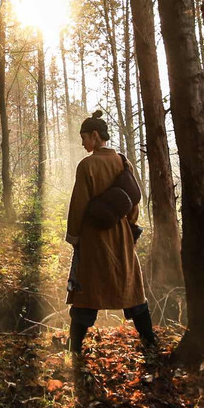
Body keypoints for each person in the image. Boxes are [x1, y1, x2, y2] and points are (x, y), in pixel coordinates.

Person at [65, 111, 157, 355]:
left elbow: (79, 205)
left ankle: (73, 349)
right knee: (132, 291)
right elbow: (133, 203)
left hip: (94, 240)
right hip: (122, 236)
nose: (82, 143)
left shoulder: (87, 165)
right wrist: (128, 227)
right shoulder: (122, 161)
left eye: (84, 137)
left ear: (95, 136)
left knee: (87, 294)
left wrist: (74, 236)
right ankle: (150, 342)